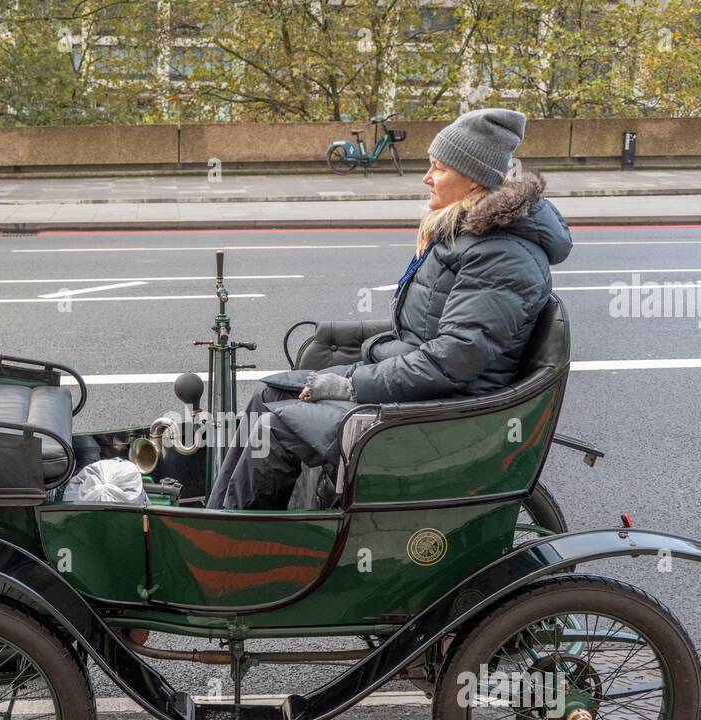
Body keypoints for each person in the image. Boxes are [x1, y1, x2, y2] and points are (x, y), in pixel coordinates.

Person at [209, 108, 572, 510]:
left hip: (445, 414)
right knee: (271, 392)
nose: (426, 178)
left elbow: (450, 362)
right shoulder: (469, 236)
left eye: (438, 168)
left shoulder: (503, 255)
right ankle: (215, 521)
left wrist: (349, 385)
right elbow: (425, 333)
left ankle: (236, 555)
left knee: (276, 428)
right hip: (421, 388)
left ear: (473, 178)